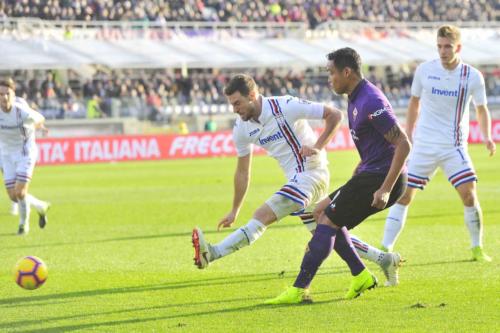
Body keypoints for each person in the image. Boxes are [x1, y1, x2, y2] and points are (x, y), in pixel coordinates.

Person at [192, 73, 402, 286]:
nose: (235, 109)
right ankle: (384, 259)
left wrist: (318, 147)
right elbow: (243, 172)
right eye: (231, 105)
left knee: (262, 215)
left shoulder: (286, 105)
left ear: (253, 95)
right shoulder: (242, 129)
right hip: (297, 180)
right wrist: (235, 210)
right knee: (328, 232)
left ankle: (213, 253)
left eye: (237, 103)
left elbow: (334, 115)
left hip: (313, 173)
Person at [265, 47, 411, 304]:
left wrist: (386, 188)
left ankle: (299, 289)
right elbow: (377, 145)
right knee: (319, 212)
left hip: (382, 179)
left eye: (332, 73)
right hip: (369, 174)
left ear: (347, 72)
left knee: (327, 223)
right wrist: (360, 168)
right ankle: (361, 275)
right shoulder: (355, 97)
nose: (329, 78)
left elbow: (403, 144)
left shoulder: (371, 101)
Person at [380, 25, 496, 262]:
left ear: (458, 48)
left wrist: (487, 136)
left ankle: (476, 247)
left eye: (448, 47)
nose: (443, 51)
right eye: (440, 46)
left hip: (453, 146)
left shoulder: (472, 76)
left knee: (469, 195)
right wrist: (408, 135)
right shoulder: (425, 70)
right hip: (423, 145)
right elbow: (414, 103)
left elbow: (481, 110)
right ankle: (384, 248)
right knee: (403, 196)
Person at [0, 78, 50, 235]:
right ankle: (40, 206)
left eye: (7, 94)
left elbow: (41, 118)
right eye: (0, 94)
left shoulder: (21, 111)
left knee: (20, 193)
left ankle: (23, 225)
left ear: (13, 94)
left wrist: (33, 126)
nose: (4, 97)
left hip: (25, 153)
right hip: (6, 155)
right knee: (14, 197)